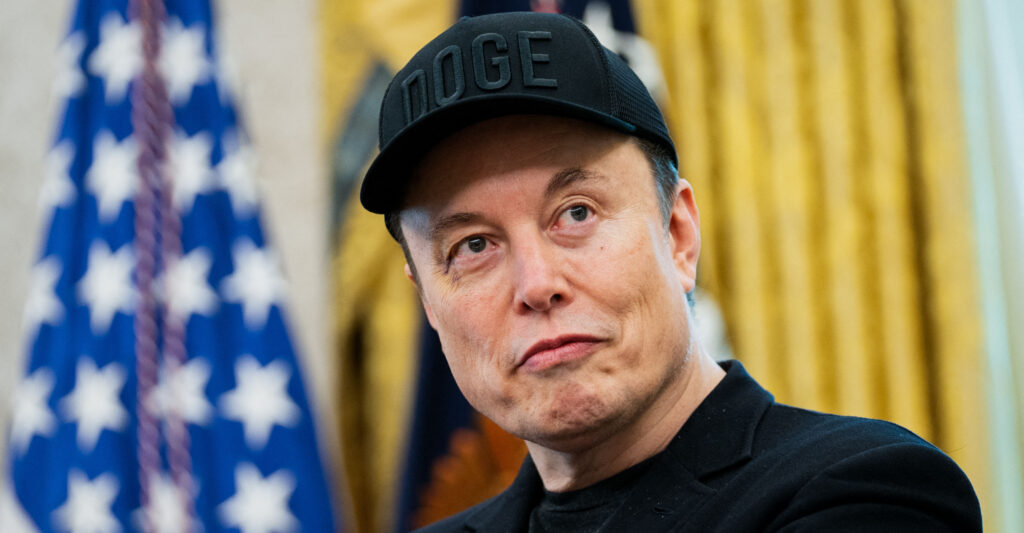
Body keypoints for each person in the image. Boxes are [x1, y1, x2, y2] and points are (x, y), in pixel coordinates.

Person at [359, 11, 982, 532]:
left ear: (679, 235)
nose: (536, 284)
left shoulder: (865, 491)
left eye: (576, 212)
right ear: (430, 303)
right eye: (472, 246)